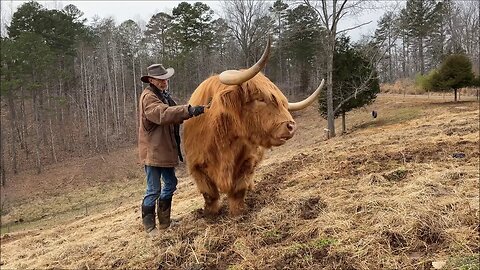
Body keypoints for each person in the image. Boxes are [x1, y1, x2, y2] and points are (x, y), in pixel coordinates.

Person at [138, 64, 206, 232]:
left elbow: (172, 112)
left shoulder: (162, 95)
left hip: (163, 150)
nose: (164, 81)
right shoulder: (149, 97)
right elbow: (163, 114)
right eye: (161, 79)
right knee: (153, 189)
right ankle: (149, 227)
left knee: (170, 183)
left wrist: (194, 111)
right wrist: (189, 110)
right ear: (152, 80)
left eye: (165, 78)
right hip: (153, 152)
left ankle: (164, 222)